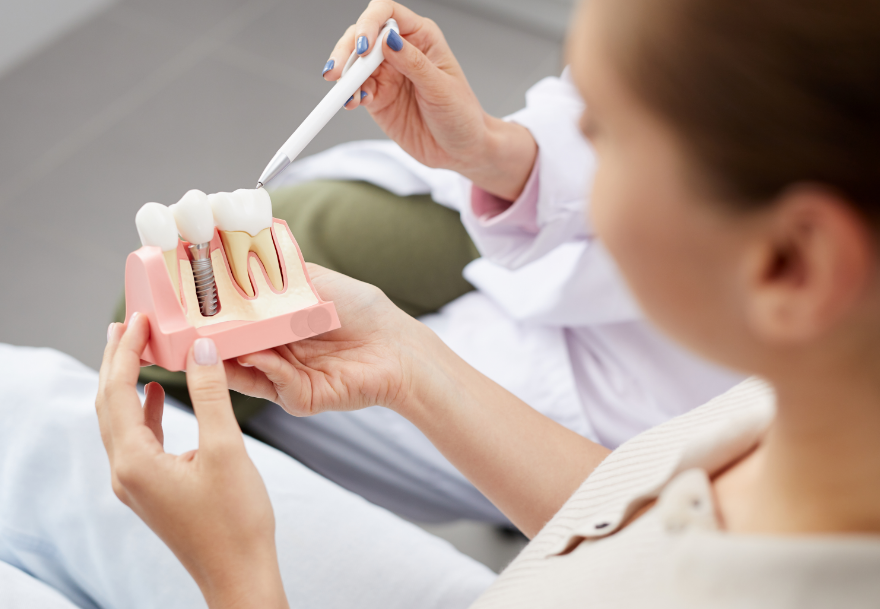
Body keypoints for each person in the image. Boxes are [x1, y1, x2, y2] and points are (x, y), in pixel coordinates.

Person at [5, 0, 880, 606]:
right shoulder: (822, 411)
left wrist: (238, 575)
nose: (569, 151)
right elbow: (655, 519)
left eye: (603, 134)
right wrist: (410, 365)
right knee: (23, 407)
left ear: (789, 264)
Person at [121, 20, 744, 525]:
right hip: (565, 260)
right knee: (308, 221)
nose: (586, 142)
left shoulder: (716, 505)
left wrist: (237, 580)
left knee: (159, 400)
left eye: (604, 134)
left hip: (612, 407)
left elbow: (627, 530)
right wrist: (493, 152)